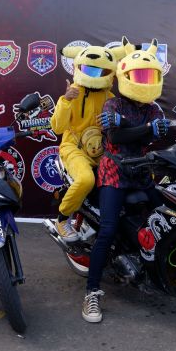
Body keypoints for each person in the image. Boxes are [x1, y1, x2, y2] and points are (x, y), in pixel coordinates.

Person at [82, 38, 169, 323]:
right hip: (114, 172)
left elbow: (156, 133)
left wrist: (133, 126)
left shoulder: (153, 108)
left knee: (167, 215)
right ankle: (91, 293)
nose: (145, 81)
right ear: (125, 75)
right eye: (140, 76)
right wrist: (145, 128)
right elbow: (116, 137)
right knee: (107, 230)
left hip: (142, 173)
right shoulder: (112, 103)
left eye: (149, 76)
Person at [50, 43, 124, 245]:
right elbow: (57, 127)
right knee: (85, 180)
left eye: (100, 71)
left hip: (102, 151)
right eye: (89, 70)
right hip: (74, 149)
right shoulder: (73, 93)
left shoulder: (111, 99)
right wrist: (65, 101)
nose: (94, 75)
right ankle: (62, 219)